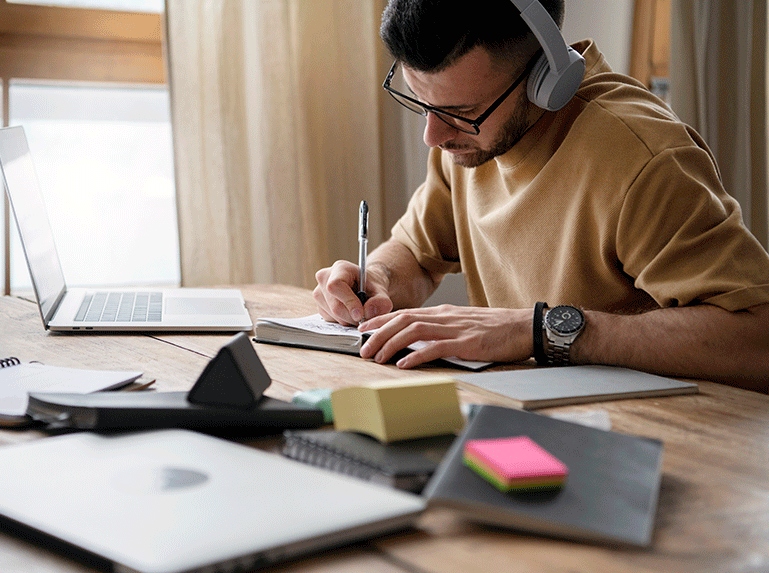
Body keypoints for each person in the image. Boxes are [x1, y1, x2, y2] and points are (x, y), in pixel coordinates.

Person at [313, 0, 769, 391]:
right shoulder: (467, 141)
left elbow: (757, 339)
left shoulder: (642, 160)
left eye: (460, 112)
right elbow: (416, 251)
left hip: (662, 444)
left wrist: (541, 330)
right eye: (421, 102)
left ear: (545, 79)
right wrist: (380, 283)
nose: (432, 136)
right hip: (525, 418)